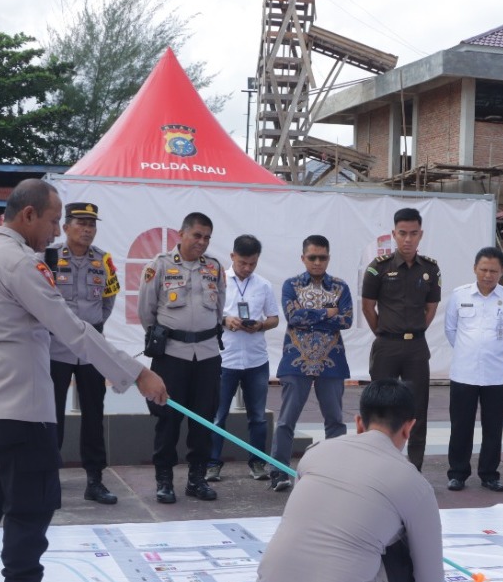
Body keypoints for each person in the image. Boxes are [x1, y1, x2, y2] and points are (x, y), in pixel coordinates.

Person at [0, 179, 167, 582]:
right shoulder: (19, 262)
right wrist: (137, 372)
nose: (58, 230)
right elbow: (70, 328)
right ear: (28, 216)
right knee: (29, 510)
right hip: (23, 410)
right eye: (55, 219)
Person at [256, 379, 449, 582]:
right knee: (403, 553)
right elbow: (429, 575)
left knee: (315, 543)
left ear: (359, 423)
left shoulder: (315, 454)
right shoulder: (412, 484)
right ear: (409, 427)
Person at [138, 212, 225, 504]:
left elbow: (219, 308)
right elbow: (146, 311)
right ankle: (164, 480)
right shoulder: (159, 266)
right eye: (197, 235)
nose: (202, 242)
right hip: (172, 355)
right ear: (182, 234)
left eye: (206, 237)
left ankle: (197, 479)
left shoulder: (214, 267)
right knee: (168, 420)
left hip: (208, 354)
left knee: (203, 420)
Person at [48, 202, 121, 505]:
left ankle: (95, 480)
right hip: (56, 346)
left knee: (94, 414)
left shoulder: (103, 260)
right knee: (52, 416)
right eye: (81, 223)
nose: (88, 229)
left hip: (91, 346)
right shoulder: (49, 257)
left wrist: (92, 330)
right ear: (65, 227)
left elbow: (108, 300)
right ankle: (49, 479)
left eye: (92, 224)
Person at [270, 235, 354, 492]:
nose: (318, 262)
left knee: (335, 420)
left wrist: (312, 317)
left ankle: (335, 473)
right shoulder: (291, 285)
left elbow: (347, 320)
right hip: (297, 360)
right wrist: (328, 313)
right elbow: (293, 317)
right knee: (286, 420)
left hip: (331, 361)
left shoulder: (340, 286)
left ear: (329, 257)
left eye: (323, 257)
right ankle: (279, 472)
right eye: (312, 257)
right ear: (303, 258)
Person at [362, 208, 441, 471]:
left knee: (418, 409)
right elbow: (367, 307)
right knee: (380, 407)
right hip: (387, 347)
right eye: (403, 234)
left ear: (421, 235)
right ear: (394, 234)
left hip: (417, 348)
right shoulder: (378, 268)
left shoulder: (430, 268)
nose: (408, 239)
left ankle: (414, 468)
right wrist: (385, 334)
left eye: (414, 234)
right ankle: (377, 465)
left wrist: (415, 332)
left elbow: (431, 308)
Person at [443, 246, 503, 492]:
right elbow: (451, 330)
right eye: (483, 270)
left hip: (496, 374)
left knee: (493, 427)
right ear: (475, 269)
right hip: (464, 372)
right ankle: (457, 473)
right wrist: (471, 350)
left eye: (493, 271)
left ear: (501, 272)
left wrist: (491, 351)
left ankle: (489, 474)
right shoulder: (459, 295)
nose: (488, 275)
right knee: (461, 425)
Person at [210, 234, 279, 483]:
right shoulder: (218, 282)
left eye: (252, 263)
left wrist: (260, 325)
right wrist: (226, 320)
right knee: (217, 415)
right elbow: (209, 313)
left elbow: (274, 318)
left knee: (258, 416)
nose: (247, 268)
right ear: (232, 257)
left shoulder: (263, 285)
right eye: (242, 263)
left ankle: (257, 463)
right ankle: (212, 464)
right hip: (224, 358)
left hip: (255, 360)